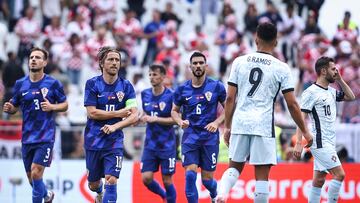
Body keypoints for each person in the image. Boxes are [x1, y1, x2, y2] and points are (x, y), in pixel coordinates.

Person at [216, 22, 313, 203]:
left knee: (234, 167)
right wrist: (305, 131)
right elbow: (292, 104)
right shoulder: (281, 68)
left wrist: (227, 126)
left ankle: (222, 195)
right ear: (276, 42)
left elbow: (230, 99)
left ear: (255, 39)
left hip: (241, 121)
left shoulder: (239, 62)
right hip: (263, 124)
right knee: (261, 176)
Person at [3, 47, 68, 203]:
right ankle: (46, 195)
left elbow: (65, 105)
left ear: (44, 62)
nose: (33, 59)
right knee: (32, 179)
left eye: (38, 57)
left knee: (36, 173)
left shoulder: (53, 83)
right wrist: (10, 108)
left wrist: (52, 107)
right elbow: (14, 104)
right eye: (31, 57)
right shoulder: (20, 84)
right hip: (27, 137)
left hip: (45, 136)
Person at [294, 56, 355, 203]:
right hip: (320, 143)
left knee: (319, 180)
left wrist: (340, 79)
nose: (336, 71)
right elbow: (301, 118)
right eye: (333, 69)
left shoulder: (331, 92)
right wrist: (298, 142)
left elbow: (351, 96)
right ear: (323, 71)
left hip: (329, 141)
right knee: (339, 175)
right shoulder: (311, 92)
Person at [83, 46, 138, 203]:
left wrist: (115, 126)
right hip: (93, 140)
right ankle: (99, 192)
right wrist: (118, 114)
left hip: (114, 142)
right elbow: (92, 112)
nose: (115, 63)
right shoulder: (92, 84)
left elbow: (134, 115)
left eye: (117, 60)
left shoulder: (126, 86)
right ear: (101, 63)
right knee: (93, 184)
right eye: (111, 59)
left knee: (112, 179)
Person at [171, 51, 226, 203]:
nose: (198, 65)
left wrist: (216, 123)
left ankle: (214, 195)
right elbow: (174, 111)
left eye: (201, 63)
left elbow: (229, 109)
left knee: (207, 181)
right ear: (190, 67)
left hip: (209, 138)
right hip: (190, 136)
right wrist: (180, 121)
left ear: (206, 66)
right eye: (195, 63)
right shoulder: (182, 89)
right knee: (190, 174)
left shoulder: (216, 86)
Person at [139, 64, 177, 203]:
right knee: (146, 178)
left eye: (155, 74)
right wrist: (138, 119)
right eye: (150, 74)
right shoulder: (145, 94)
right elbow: (145, 113)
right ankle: (164, 196)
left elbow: (176, 119)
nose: (152, 77)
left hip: (167, 144)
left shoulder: (171, 95)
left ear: (163, 77)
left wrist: (156, 119)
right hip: (150, 144)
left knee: (167, 180)